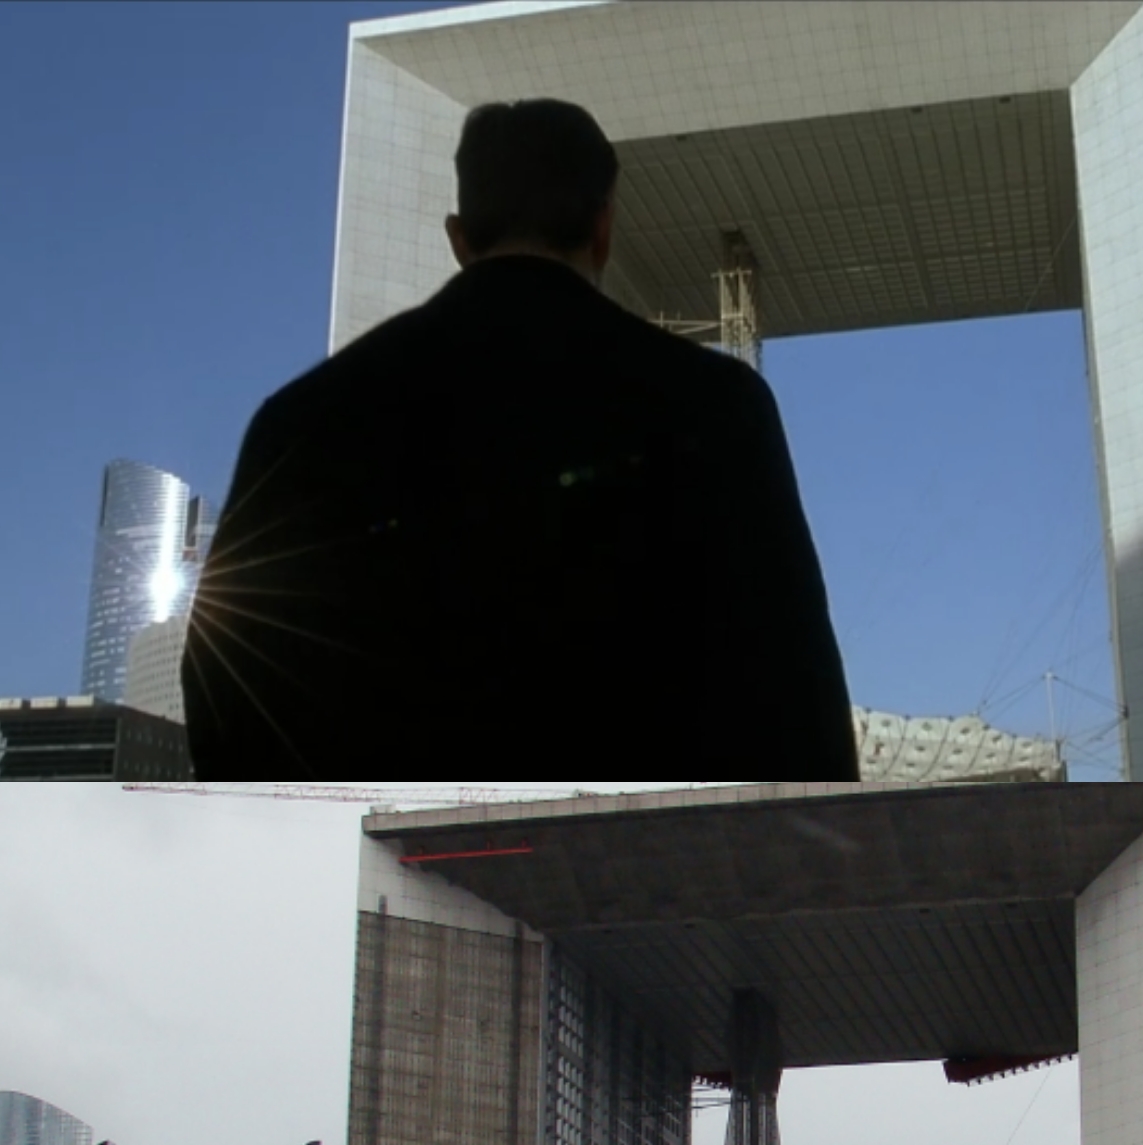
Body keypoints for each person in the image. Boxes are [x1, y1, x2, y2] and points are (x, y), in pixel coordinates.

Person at [181, 98, 859, 782]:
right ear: (602, 229)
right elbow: (796, 688)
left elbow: (224, 684)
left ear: (459, 236)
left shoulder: (298, 421)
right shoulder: (721, 406)